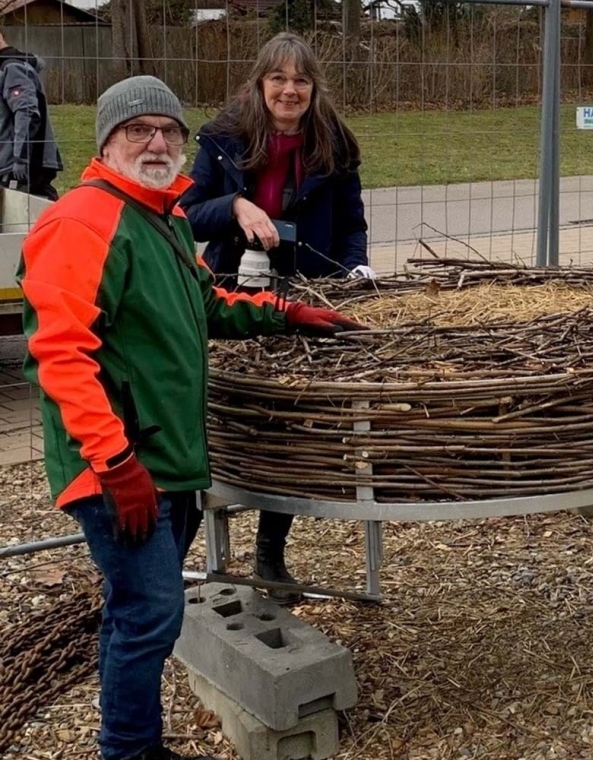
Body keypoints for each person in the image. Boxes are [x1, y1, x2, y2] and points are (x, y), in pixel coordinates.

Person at [18, 75, 363, 760]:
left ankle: (130, 742)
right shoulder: (81, 221)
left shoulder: (162, 216)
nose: (158, 143)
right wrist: (114, 464)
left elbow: (206, 305)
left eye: (170, 131)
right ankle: (127, 750)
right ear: (107, 142)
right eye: (138, 131)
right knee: (149, 614)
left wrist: (283, 313)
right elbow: (60, 357)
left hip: (164, 456)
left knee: (138, 613)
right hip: (119, 464)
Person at [181, 32, 372, 605]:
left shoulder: (335, 143)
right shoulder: (221, 138)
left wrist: (356, 270)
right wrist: (234, 207)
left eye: (301, 81)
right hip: (236, 293)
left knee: (291, 418)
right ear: (259, 83)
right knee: (231, 410)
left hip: (308, 292)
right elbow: (187, 214)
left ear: (314, 89)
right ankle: (201, 541)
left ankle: (269, 550)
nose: (290, 91)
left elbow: (353, 223)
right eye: (279, 80)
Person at [0, 31, 62, 199]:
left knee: (30, 214)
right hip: (8, 164)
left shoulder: (13, 67)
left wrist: (21, 158)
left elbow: (26, 113)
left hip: (20, 167)